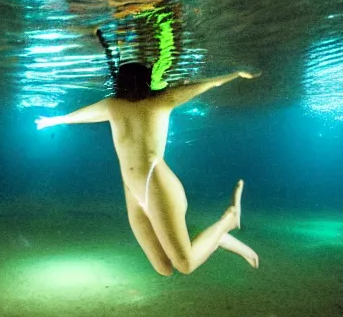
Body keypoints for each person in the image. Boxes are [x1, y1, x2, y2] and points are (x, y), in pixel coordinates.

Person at [36, 63, 260, 276]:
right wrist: (54, 121)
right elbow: (83, 115)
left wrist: (235, 74)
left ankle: (228, 219)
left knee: (185, 264)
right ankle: (215, 238)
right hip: (133, 190)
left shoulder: (160, 101)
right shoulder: (114, 106)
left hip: (156, 181)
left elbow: (201, 86)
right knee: (164, 267)